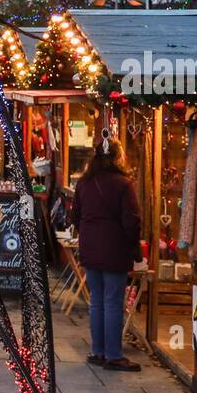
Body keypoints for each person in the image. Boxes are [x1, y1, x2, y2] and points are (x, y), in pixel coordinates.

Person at [70, 137, 143, 372]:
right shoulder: (123, 184)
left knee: (97, 303)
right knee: (112, 302)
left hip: (90, 247)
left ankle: (98, 351)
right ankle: (113, 355)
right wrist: (135, 250)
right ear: (116, 156)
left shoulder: (84, 183)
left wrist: (89, 234)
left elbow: (75, 216)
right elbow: (131, 221)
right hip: (114, 248)